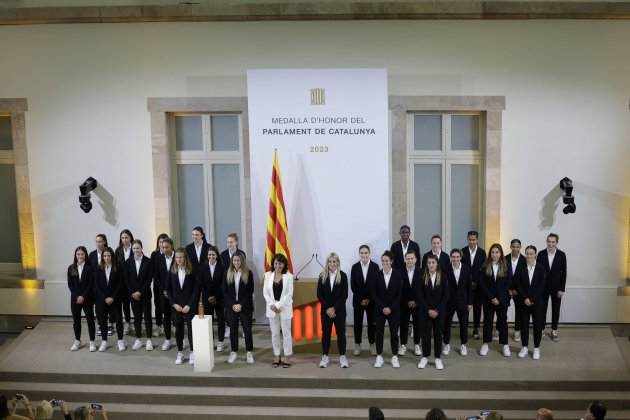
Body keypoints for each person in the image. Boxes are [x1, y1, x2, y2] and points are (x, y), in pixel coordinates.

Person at [317, 252, 349, 368]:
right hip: (326, 312)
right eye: (330, 261)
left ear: (338, 263)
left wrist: (334, 308)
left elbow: (344, 295)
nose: (332, 264)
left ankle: (342, 356)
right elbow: (319, 295)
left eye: (334, 261)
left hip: (339, 311)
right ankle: (325, 356)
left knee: (341, 334)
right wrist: (328, 309)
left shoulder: (343, 276)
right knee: (326, 334)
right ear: (327, 263)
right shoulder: (322, 276)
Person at [371, 251, 402, 368]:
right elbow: (374, 294)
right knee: (379, 333)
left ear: (391, 261)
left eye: (387, 261)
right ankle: (379, 356)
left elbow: (399, 294)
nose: (384, 263)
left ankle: (394, 356)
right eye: (383, 261)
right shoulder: (376, 275)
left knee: (394, 333)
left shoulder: (398, 275)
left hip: (394, 310)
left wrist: (390, 307)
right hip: (380, 310)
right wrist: (383, 307)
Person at [479, 243, 511, 357]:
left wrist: (499, 298)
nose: (495, 254)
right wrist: (492, 297)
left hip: (502, 300)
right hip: (489, 300)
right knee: (487, 322)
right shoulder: (485, 265)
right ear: (490, 254)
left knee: (502, 322)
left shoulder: (506, 265)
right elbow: (482, 284)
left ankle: (505, 344)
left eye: (497, 252)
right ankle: (485, 343)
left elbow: (508, 284)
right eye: (493, 252)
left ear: (501, 253)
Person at [262, 253, 294, 367]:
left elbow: (289, 294)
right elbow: (265, 292)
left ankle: (287, 356)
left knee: (286, 333)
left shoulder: (289, 276)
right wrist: (272, 305)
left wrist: (278, 305)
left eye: (280, 263)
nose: (277, 266)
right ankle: (277, 355)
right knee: (275, 333)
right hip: (272, 309)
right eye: (275, 263)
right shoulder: (267, 275)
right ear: (273, 264)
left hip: (284, 308)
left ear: (284, 264)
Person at [169, 247, 199, 365]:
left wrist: (189, 305)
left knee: (191, 331)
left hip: (189, 306)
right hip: (177, 306)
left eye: (181, 257)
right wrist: (174, 304)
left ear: (185, 258)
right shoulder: (172, 272)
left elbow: (196, 290)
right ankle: (180, 352)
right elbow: (168, 290)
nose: (179, 259)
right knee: (178, 330)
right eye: (177, 257)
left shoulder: (192, 271)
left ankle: (192, 352)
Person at [418, 254, 448, 370]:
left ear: (437, 264)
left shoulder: (443, 277)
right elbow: (420, 296)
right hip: (425, 312)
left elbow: (446, 295)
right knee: (425, 335)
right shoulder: (422, 276)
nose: (431, 264)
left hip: (439, 312)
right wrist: (428, 309)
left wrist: (437, 310)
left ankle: (437, 358)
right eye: (429, 262)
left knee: (438, 334)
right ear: (427, 264)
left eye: (433, 262)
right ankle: (425, 356)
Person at [223, 253, 255, 364]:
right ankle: (234, 351)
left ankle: (249, 352)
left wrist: (240, 304)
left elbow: (250, 291)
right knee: (233, 330)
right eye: (234, 260)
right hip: (231, 307)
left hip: (245, 306)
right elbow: (225, 291)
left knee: (247, 330)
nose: (236, 262)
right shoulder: (227, 273)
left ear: (242, 261)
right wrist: (233, 304)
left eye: (238, 260)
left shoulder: (248, 273)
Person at [517, 245, 546, 360]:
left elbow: (541, 286)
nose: (529, 256)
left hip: (537, 302)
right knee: (524, 325)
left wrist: (532, 299)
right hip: (523, 302)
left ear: (535, 255)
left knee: (537, 325)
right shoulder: (520, 267)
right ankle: (524, 347)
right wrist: (525, 298)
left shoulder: (541, 268)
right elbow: (518, 285)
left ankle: (536, 348)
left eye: (531, 254)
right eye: (527, 254)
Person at [350, 245, 379, 356]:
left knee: (372, 324)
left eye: (366, 253)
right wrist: (362, 299)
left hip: (372, 302)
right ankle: (357, 344)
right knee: (358, 324)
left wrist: (369, 299)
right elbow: (353, 286)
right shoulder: (355, 267)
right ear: (359, 254)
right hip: (358, 301)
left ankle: (372, 344)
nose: (364, 255)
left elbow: (376, 285)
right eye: (362, 253)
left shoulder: (375, 267)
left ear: (369, 253)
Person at [537, 233, 567, 341]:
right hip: (543, 288)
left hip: (556, 288)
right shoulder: (540, 254)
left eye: (553, 242)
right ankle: (541, 329)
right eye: (549, 241)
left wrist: (562, 289)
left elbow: (564, 273)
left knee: (556, 310)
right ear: (546, 242)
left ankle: (554, 330)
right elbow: (538, 273)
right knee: (542, 310)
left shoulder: (562, 255)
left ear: (556, 243)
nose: (551, 244)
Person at [125, 239, 154, 351]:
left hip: (145, 294)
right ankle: (138, 339)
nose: (136, 250)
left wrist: (140, 291)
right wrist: (133, 292)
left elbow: (149, 279)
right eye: (134, 248)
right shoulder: (128, 262)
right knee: (137, 318)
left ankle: (149, 340)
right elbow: (126, 279)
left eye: (138, 248)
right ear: (132, 250)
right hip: (133, 295)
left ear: (142, 248)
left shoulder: (148, 261)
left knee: (147, 317)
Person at [443, 248, 473, 356]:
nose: (455, 259)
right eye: (453, 257)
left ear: (460, 257)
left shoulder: (466, 269)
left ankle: (463, 345)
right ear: (451, 258)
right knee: (447, 324)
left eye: (457, 257)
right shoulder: (445, 269)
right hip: (449, 302)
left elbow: (469, 287)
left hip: (463, 301)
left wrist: (470, 302)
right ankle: (446, 344)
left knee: (463, 324)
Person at [94, 247, 124, 351]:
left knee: (119, 319)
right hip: (102, 300)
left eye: (109, 255)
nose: (107, 258)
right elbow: (97, 285)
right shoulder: (98, 268)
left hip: (115, 299)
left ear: (112, 256)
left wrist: (113, 297)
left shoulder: (118, 267)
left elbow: (120, 284)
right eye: (105, 256)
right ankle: (104, 341)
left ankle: (120, 340)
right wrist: (105, 297)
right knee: (102, 320)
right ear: (102, 257)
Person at [67, 246, 96, 352]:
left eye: (82, 254)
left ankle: (92, 341)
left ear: (85, 255)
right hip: (75, 299)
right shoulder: (71, 268)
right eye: (78, 254)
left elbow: (91, 284)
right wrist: (78, 296)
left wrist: (83, 296)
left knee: (90, 320)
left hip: (87, 298)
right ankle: (77, 341)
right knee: (76, 320)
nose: (80, 256)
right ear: (75, 255)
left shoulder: (90, 267)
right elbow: (71, 285)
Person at [198, 246, 226, 352]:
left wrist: (215, 297)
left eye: (213, 254)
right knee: (208, 321)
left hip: (219, 298)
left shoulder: (222, 267)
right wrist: (209, 296)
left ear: (217, 256)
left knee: (220, 320)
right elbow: (201, 284)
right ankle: (210, 341)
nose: (211, 256)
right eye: (209, 255)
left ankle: (220, 341)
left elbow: (223, 284)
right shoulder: (202, 267)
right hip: (207, 298)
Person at [460, 231, 486, 340]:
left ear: (477, 240)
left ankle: (476, 328)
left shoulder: (482, 252)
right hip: (465, 286)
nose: (472, 241)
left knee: (477, 308)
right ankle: (464, 328)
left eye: (474, 240)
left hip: (478, 286)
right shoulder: (462, 251)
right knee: (465, 308)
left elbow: (483, 270)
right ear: (467, 239)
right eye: (470, 239)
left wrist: (477, 282)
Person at [399, 250, 423, 357]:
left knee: (418, 324)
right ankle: (403, 345)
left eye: (412, 258)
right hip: (404, 304)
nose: (410, 260)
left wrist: (416, 301)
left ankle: (417, 344)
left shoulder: (422, 272)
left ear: (416, 260)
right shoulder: (399, 272)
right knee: (403, 325)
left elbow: (423, 290)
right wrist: (407, 301)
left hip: (418, 304)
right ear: (405, 260)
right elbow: (398, 290)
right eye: (407, 258)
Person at [154, 237, 175, 351]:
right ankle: (167, 339)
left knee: (177, 317)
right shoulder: (158, 259)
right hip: (164, 293)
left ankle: (179, 338)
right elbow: (156, 276)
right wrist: (164, 290)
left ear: (172, 246)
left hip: (176, 293)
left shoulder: (178, 257)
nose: (165, 249)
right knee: (166, 316)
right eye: (163, 247)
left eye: (167, 247)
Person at [114, 229, 134, 335]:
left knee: (134, 304)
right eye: (122, 238)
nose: (124, 240)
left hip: (132, 282)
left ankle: (136, 323)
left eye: (126, 237)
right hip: (121, 283)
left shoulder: (135, 248)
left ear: (130, 238)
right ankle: (127, 323)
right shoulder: (118, 250)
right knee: (124, 304)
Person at [149, 233, 169, 339]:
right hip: (158, 285)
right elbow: (153, 272)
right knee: (158, 306)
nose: (162, 244)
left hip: (169, 286)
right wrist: (161, 286)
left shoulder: (170, 254)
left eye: (163, 242)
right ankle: (159, 325)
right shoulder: (154, 254)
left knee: (168, 307)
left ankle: (169, 326)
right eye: (160, 242)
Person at [506, 239, 526, 343]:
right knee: (503, 309)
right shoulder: (504, 258)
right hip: (507, 289)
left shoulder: (524, 259)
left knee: (519, 311)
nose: (515, 248)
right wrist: (508, 289)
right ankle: (501, 329)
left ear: (520, 247)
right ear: (510, 247)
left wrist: (517, 290)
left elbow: (525, 278)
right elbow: (503, 276)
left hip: (519, 290)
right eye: (513, 246)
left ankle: (517, 330)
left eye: (517, 246)